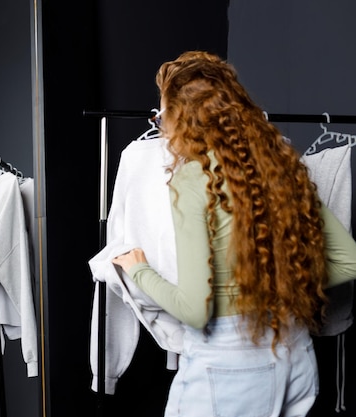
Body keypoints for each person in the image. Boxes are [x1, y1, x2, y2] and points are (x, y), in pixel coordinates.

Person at [111, 51, 356, 417]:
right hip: (296, 352)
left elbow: (195, 311)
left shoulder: (193, 178)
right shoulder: (281, 166)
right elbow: (349, 261)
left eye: (162, 116)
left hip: (229, 363)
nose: (160, 127)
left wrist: (139, 270)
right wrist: (281, 279)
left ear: (184, 119)